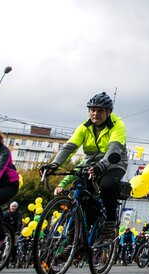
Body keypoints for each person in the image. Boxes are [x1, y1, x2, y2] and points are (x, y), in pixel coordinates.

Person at [40, 92, 127, 241]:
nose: (95, 114)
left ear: (108, 112)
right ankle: (79, 238)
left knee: (107, 186)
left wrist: (102, 165)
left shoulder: (117, 124)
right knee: (83, 195)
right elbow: (69, 147)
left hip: (114, 163)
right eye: (92, 110)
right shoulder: (84, 127)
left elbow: (114, 148)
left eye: (100, 111)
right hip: (91, 164)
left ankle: (110, 222)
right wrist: (55, 164)